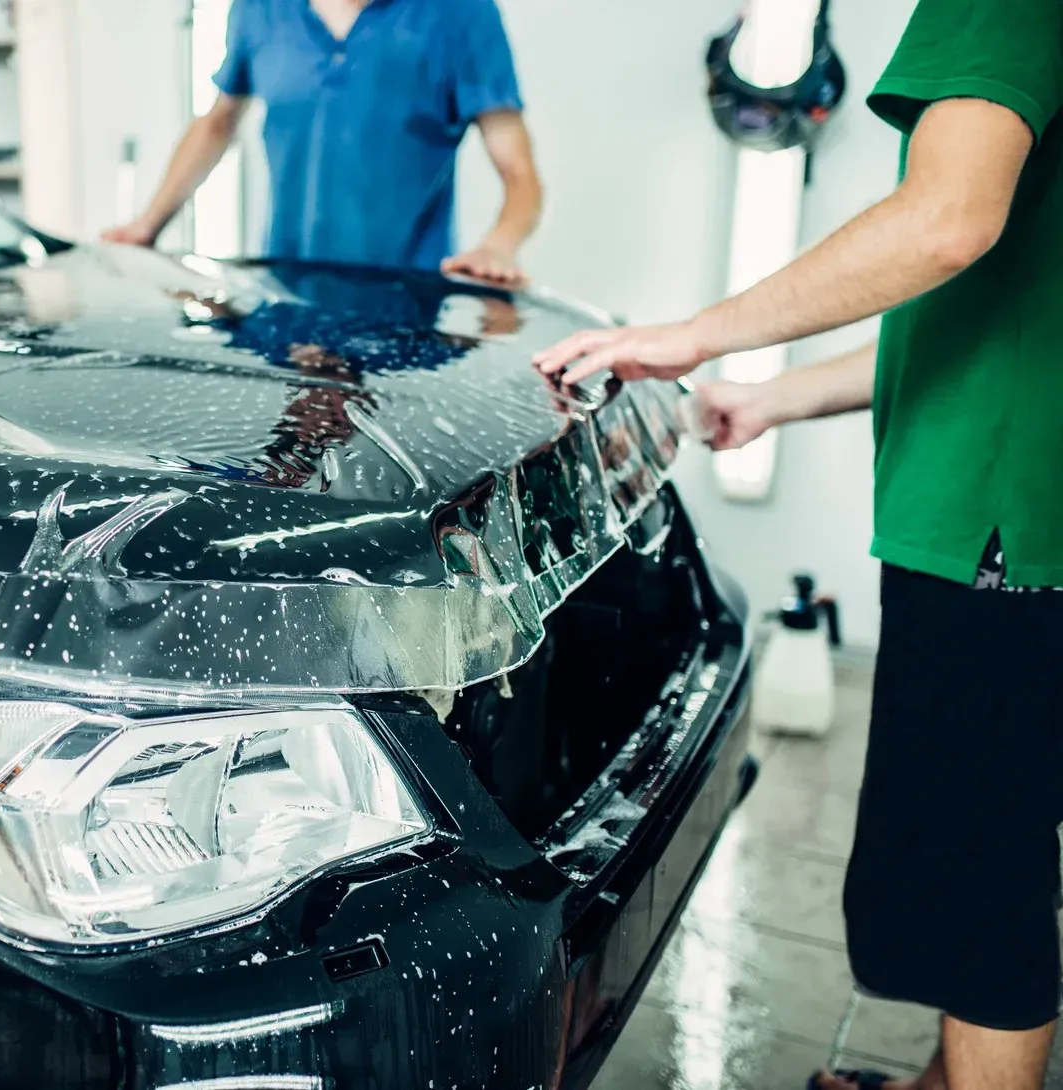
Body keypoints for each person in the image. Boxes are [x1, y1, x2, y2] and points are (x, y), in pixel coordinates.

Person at [534, 1, 1063, 1087]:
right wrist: (773, 399)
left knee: (984, 897)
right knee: (991, 859)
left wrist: (691, 330)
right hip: (1019, 509)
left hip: (994, 527)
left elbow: (945, 223)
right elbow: (986, 316)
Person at [103, 0, 543, 286]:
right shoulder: (259, 10)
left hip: (410, 307)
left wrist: (498, 245)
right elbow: (218, 123)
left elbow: (520, 174)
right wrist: (148, 224)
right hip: (284, 298)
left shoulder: (462, 14)